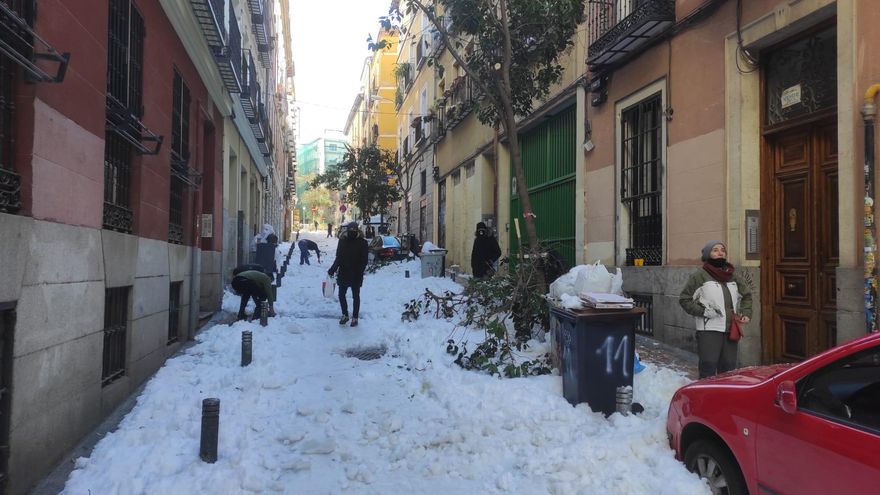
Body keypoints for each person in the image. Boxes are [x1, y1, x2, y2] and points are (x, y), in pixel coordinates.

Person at [679, 241, 753, 379]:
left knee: (729, 367)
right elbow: (684, 299)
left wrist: (746, 312)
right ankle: (706, 396)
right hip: (709, 330)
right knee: (708, 366)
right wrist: (703, 311)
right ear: (708, 255)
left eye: (722, 250)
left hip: (731, 329)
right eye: (715, 250)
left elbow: (747, 295)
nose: (720, 252)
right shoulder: (700, 276)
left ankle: (725, 396)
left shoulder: (733, 276)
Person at [328, 221, 368, 327]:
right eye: (351, 230)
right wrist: (332, 269)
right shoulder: (342, 241)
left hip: (356, 274)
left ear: (357, 230)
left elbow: (364, 260)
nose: (352, 232)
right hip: (344, 272)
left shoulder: (362, 242)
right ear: (347, 230)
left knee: (356, 296)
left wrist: (359, 270)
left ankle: (355, 318)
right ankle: (345, 315)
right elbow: (339, 257)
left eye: (354, 230)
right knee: (341, 295)